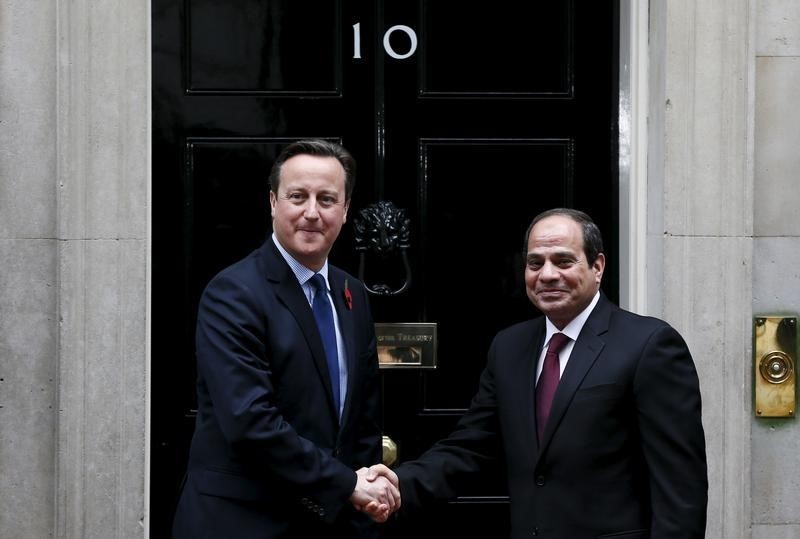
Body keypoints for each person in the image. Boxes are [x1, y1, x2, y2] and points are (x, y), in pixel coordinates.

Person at [365, 208, 708, 538]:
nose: (546, 274)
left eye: (563, 261)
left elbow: (680, 489)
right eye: (535, 263)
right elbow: (471, 448)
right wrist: (397, 485)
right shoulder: (510, 347)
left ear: (597, 266)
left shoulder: (649, 345)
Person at [172, 139, 399, 539]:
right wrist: (347, 485)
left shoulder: (353, 295)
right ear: (273, 202)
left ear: (345, 211)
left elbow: (363, 415)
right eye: (298, 196)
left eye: (327, 199)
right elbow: (251, 424)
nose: (312, 212)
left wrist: (366, 494)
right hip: (245, 523)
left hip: (333, 522)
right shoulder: (234, 293)